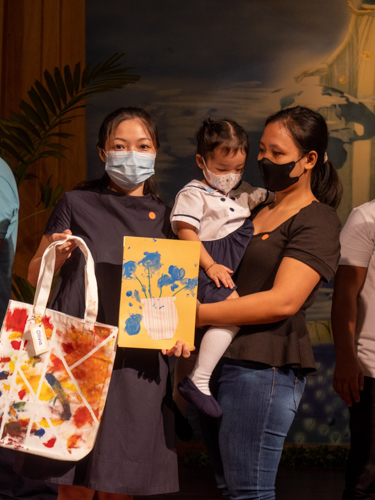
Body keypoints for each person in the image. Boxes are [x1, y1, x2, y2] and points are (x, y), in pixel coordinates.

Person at [14, 107, 183, 500]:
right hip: (76, 355)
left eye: (142, 146)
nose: (132, 154)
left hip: (136, 359)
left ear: (155, 152)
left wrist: (177, 335)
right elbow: (33, 270)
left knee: (121, 478)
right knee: (72, 477)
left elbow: (175, 293)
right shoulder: (77, 203)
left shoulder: (168, 218)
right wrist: (56, 254)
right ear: (103, 153)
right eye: (120, 146)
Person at [194, 106, 342, 500]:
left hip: (262, 364)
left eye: (277, 154)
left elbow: (282, 301)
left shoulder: (318, 220)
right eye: (261, 150)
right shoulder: (251, 206)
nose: (263, 160)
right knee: (228, 490)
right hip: (213, 365)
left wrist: (193, 316)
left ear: (309, 160)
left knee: (249, 493)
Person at [171, 118, 272, 418]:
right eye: (223, 169)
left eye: (238, 169)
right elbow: (186, 232)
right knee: (233, 311)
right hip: (204, 265)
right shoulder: (193, 193)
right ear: (201, 160)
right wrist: (211, 265)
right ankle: (198, 382)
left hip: (223, 266)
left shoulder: (244, 192)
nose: (231, 176)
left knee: (194, 342)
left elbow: (270, 198)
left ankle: (176, 404)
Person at [332, 200, 375, 500]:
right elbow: (345, 293)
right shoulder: (367, 216)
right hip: (373, 365)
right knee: (366, 479)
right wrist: (346, 357)